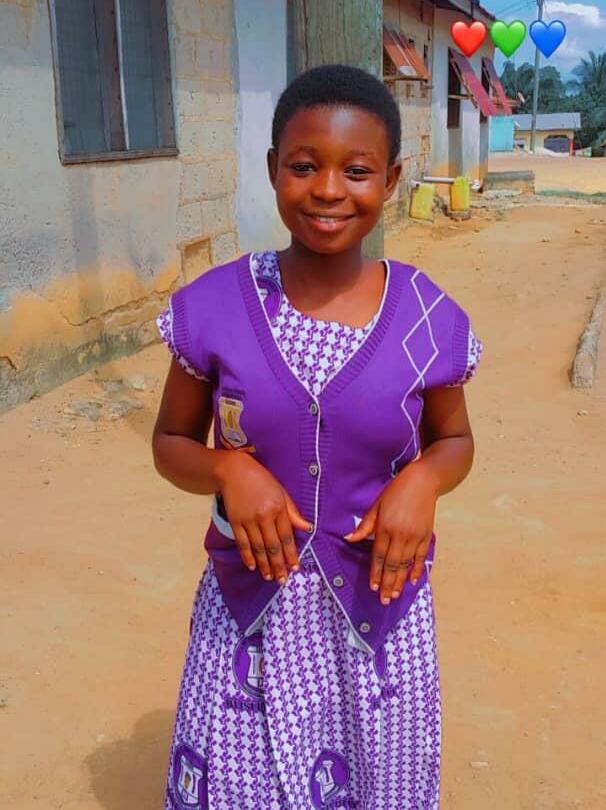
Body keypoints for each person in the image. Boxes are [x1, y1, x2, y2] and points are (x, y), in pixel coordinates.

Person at [152, 63, 483, 810]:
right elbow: (171, 440)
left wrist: (424, 480)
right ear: (274, 169)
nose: (329, 190)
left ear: (390, 180)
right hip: (250, 615)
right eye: (304, 166)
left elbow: (454, 441)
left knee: (377, 784)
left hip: (380, 613)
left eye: (356, 171)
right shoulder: (215, 307)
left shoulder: (427, 318)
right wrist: (227, 472)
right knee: (239, 787)